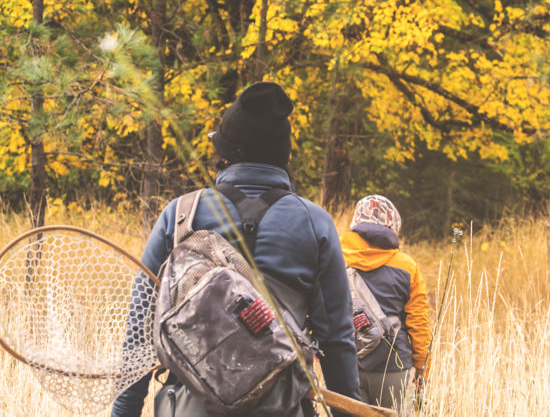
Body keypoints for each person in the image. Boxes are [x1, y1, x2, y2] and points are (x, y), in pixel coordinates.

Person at [111, 82, 359, 417]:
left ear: (224, 153)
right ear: (283, 155)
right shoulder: (316, 224)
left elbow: (139, 333)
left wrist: (123, 413)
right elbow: (337, 341)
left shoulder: (180, 215)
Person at [340, 195, 431, 413]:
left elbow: (321, 308)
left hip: (346, 364)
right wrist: (422, 369)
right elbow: (418, 323)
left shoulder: (336, 258)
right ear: (393, 225)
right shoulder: (407, 267)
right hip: (394, 367)